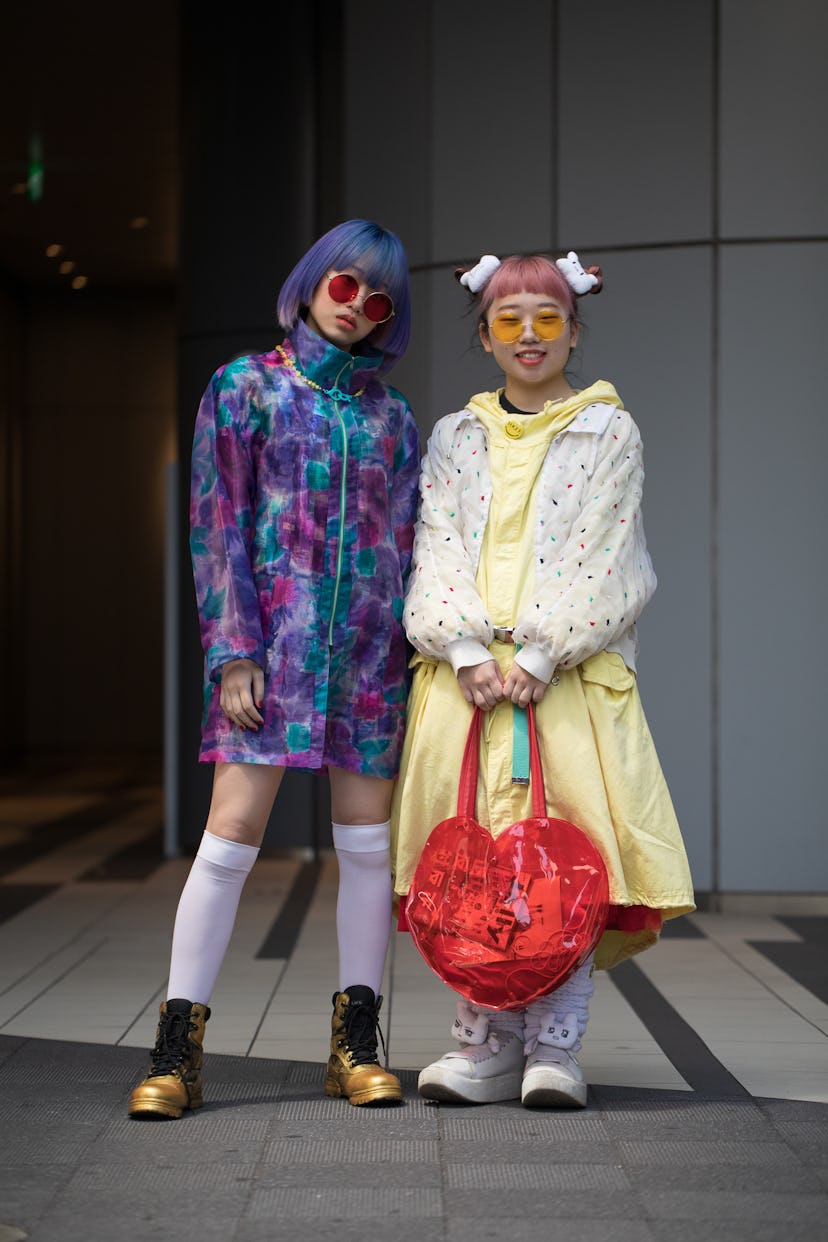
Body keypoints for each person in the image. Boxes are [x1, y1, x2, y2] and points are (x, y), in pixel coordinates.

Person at [129, 220, 420, 1118]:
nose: (358, 309)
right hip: (269, 652)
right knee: (230, 836)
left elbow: (413, 546)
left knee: (367, 846)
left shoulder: (392, 418)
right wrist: (233, 651)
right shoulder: (244, 388)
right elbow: (216, 526)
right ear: (310, 284)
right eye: (346, 286)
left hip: (371, 655)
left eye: (378, 301)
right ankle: (177, 1052)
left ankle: (355, 1044)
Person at [391, 249, 694, 1108]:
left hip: (564, 687)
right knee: (469, 861)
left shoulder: (609, 431)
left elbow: (606, 554)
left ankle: (555, 1050)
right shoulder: (456, 435)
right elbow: (436, 544)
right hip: (468, 687)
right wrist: (464, 651)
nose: (529, 335)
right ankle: (481, 1045)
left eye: (547, 318)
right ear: (484, 336)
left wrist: (535, 655)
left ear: (573, 330)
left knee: (564, 861)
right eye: (508, 319)